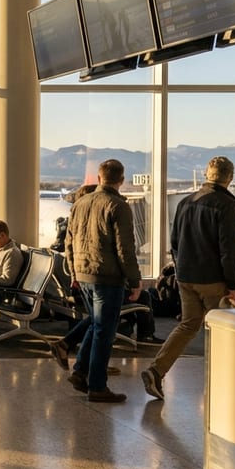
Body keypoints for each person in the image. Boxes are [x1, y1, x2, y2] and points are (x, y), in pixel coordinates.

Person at [141, 156, 235, 401]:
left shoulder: (186, 202)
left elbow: (174, 242)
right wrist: (233, 285)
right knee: (225, 329)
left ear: (207, 173)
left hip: (186, 276)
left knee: (188, 325)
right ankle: (224, 384)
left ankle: (156, 370)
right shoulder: (226, 206)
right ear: (230, 177)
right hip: (213, 278)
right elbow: (230, 250)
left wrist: (180, 268)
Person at [64, 159, 141, 404]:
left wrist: (73, 273)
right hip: (107, 276)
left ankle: (80, 372)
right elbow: (125, 249)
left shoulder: (80, 203)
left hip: (83, 273)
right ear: (121, 180)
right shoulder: (118, 206)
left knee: (96, 326)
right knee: (104, 333)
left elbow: (69, 242)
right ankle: (97, 386)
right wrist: (135, 280)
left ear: (99, 178)